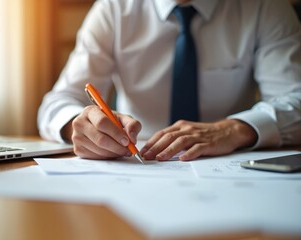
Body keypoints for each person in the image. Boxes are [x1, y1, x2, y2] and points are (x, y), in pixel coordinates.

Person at [38, 0, 301, 161]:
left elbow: (296, 100)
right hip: (134, 166)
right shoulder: (114, 8)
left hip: (231, 166)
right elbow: (56, 104)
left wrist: (234, 130)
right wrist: (80, 126)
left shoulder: (266, 6)